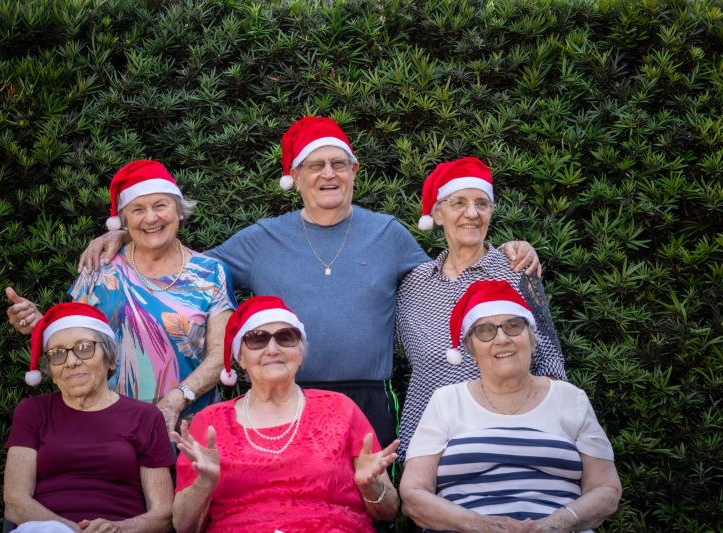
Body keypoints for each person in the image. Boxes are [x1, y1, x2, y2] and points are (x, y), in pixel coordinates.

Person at [77, 118, 540, 449]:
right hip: (281, 394)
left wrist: (510, 251)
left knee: (368, 506)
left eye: (339, 164)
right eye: (314, 166)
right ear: (294, 178)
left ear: (355, 171)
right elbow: (186, 272)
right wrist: (125, 234)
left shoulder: (389, 234)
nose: (328, 174)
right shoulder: (262, 237)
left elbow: (453, 280)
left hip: (370, 398)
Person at [6, 160, 235, 433]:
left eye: (160, 205)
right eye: (138, 209)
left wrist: (176, 400)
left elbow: (221, 355)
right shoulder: (99, 269)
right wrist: (39, 324)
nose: (151, 218)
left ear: (179, 211)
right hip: (109, 426)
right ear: (124, 221)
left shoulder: (210, 274)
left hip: (189, 426)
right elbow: (72, 341)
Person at [400, 280, 622, 532]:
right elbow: (413, 493)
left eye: (513, 326)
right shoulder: (446, 400)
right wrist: (479, 525)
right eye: (485, 331)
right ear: (471, 351)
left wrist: (557, 523)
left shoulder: (571, 399)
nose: (502, 339)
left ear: (532, 339)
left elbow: (606, 489)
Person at [170, 295, 399, 532]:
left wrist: (369, 486)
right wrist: (204, 483)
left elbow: (389, 510)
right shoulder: (210, 422)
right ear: (240, 357)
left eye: (285, 338)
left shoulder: (340, 408)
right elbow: (184, 526)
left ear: (300, 354)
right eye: (257, 339)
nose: (272, 349)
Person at [396, 157, 567, 460]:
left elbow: (550, 366)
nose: (472, 214)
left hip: (506, 438)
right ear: (437, 213)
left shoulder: (516, 271)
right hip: (428, 444)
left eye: (482, 204)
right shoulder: (413, 284)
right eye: (459, 202)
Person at [3, 302, 174, 533]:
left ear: (111, 359)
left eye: (84, 348)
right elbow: (15, 502)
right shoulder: (33, 411)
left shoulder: (145, 417)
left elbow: (162, 514)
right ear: (51, 372)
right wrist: (73, 530)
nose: (71, 361)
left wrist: (118, 529)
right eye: (57, 354)